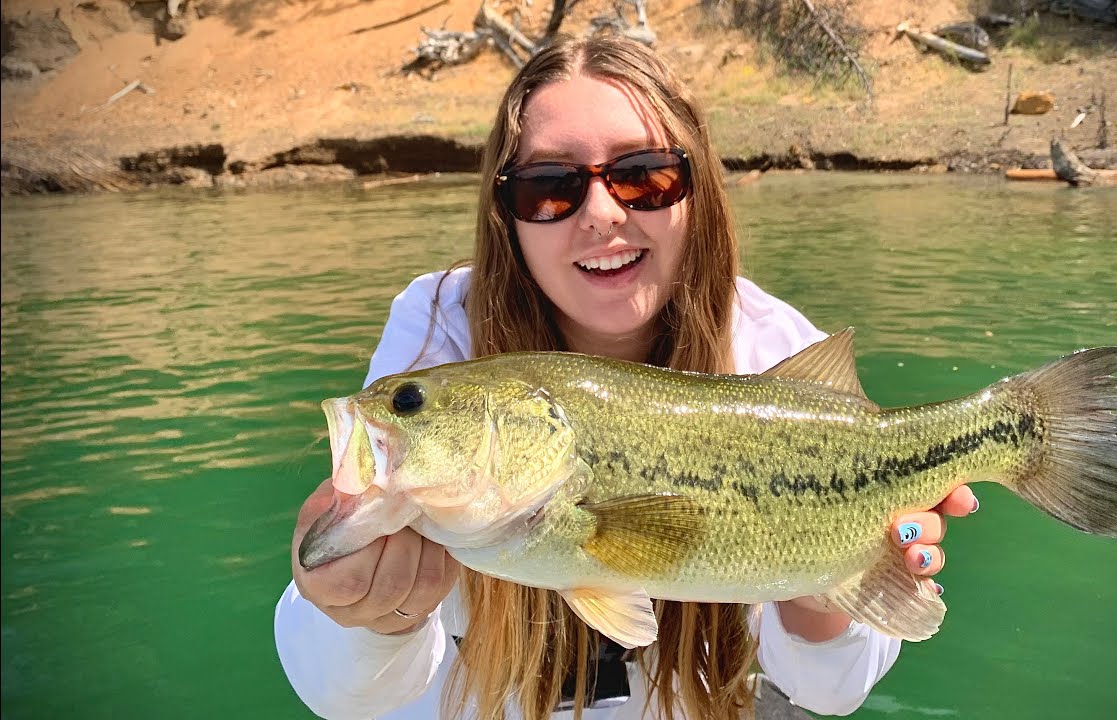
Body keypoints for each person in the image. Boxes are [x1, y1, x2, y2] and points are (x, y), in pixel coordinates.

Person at [274, 34, 979, 720]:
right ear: (506, 215)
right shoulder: (439, 329)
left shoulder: (774, 348)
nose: (602, 215)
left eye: (644, 176)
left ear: (697, 191)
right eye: (550, 187)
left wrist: (826, 586)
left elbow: (831, 692)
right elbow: (345, 698)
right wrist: (366, 612)